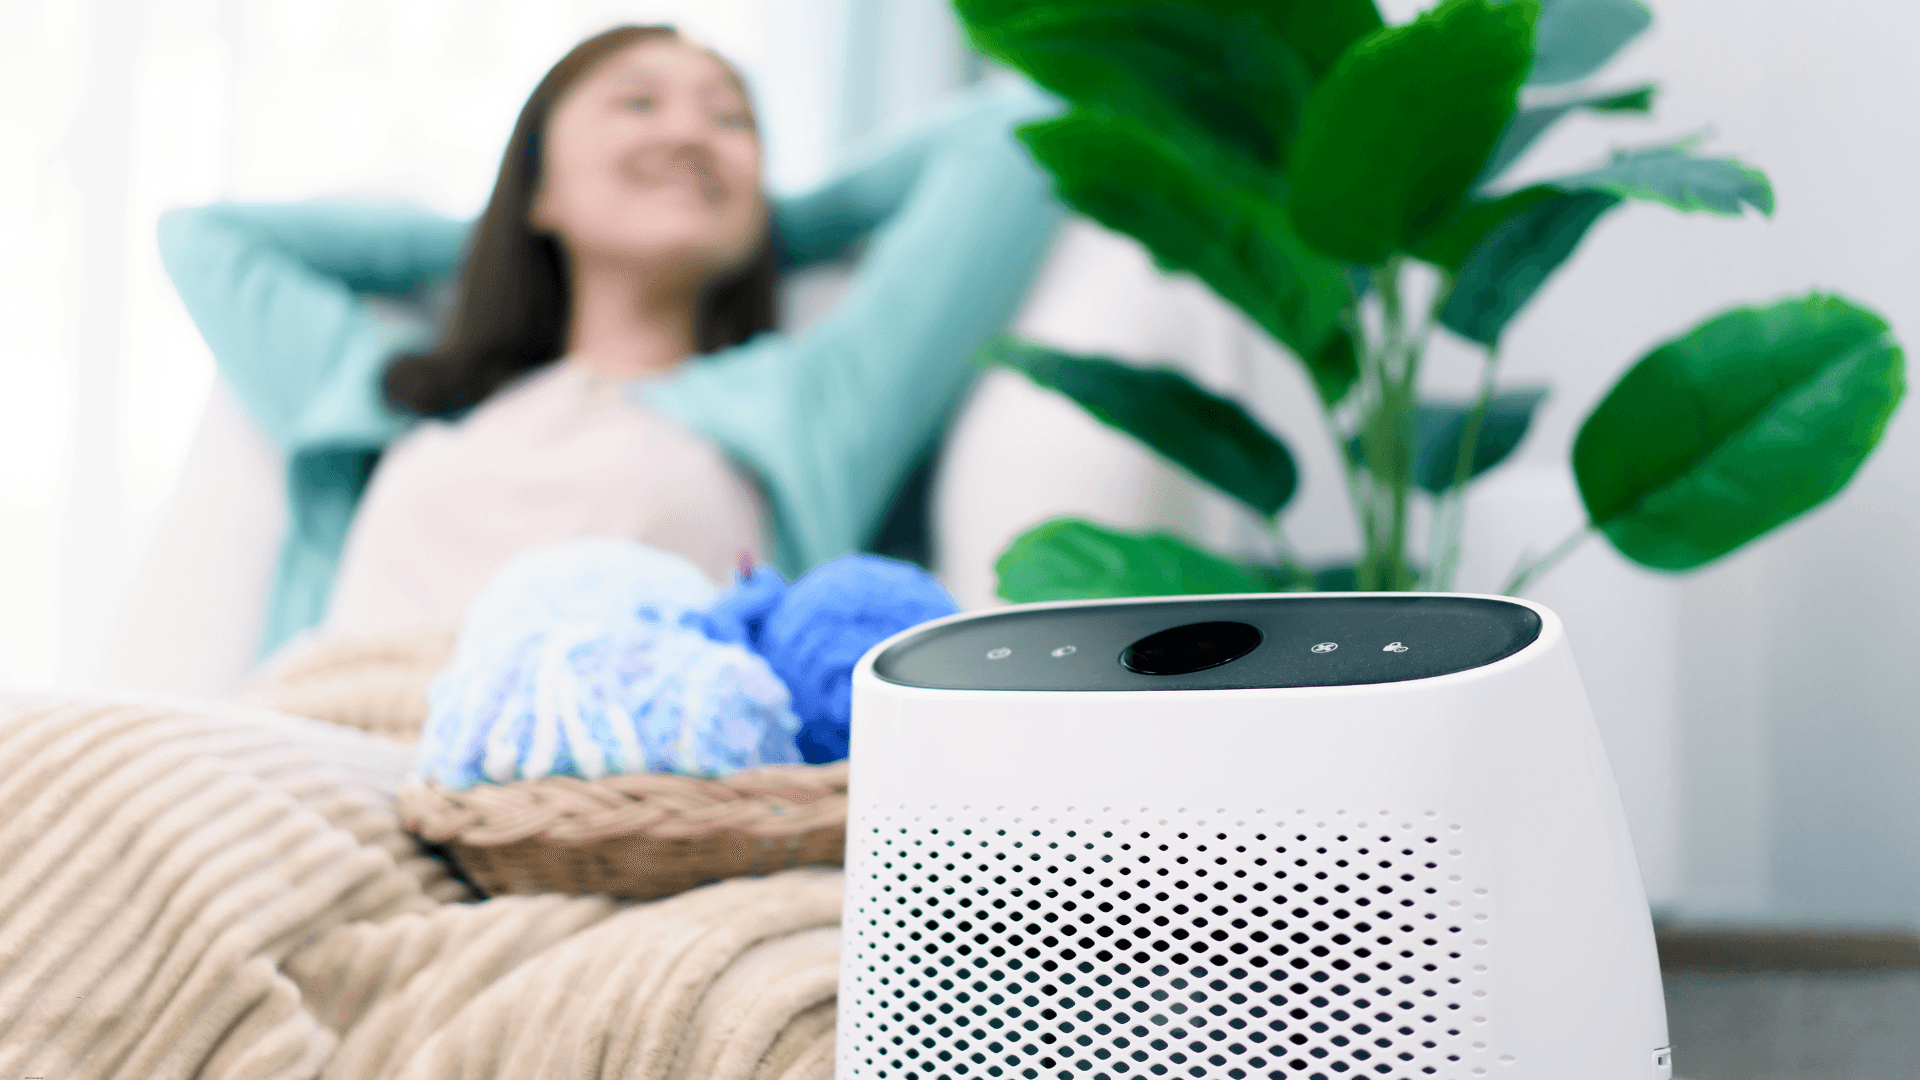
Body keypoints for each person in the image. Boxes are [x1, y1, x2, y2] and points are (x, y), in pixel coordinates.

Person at [159, 24, 1063, 658]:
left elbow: (1024, 128)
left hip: (600, 822)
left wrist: (771, 224)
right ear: (539, 183)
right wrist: (506, 229)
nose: (687, 132)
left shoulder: (804, 409)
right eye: (638, 104)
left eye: (730, 121)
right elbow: (207, 239)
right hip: (324, 760)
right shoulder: (393, 391)